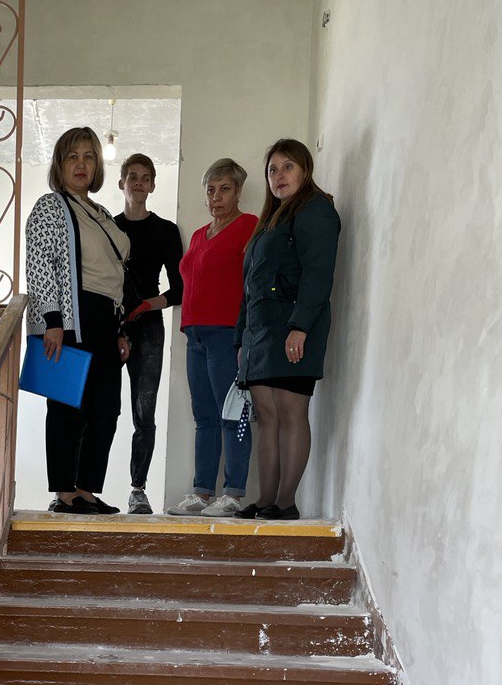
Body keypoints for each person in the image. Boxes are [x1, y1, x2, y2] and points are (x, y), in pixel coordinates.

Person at [24, 127, 131, 514]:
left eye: (88, 157)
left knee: (106, 409)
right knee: (67, 405)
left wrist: (120, 329)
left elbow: (115, 276)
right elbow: (39, 264)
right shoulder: (51, 207)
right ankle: (64, 491)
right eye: (72, 156)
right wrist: (52, 320)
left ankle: (86, 490)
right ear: (59, 165)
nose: (81, 164)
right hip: (71, 315)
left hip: (106, 318)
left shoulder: (101, 214)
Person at [235, 139, 341, 520]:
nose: (279, 176)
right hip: (261, 333)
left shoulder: (316, 210)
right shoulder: (269, 221)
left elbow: (318, 273)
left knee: (291, 411)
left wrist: (300, 327)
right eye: (272, 170)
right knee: (267, 416)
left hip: (293, 327)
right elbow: (249, 287)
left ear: (305, 170)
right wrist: (241, 338)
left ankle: (285, 502)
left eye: (288, 167)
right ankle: (266, 499)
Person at [168, 158, 257, 517]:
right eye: (210, 190)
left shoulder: (249, 226)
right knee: (204, 417)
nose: (216, 197)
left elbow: (253, 281)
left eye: (224, 189)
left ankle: (233, 494)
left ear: (238, 192)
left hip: (226, 334)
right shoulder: (198, 235)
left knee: (233, 413)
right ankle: (202, 492)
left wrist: (246, 337)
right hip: (195, 335)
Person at [113, 154, 183, 514]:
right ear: (122, 183)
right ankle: (82, 488)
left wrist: (145, 306)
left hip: (149, 329)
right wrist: (119, 323)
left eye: (145, 177)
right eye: (132, 177)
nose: (138, 183)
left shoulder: (165, 231)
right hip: (109, 326)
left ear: (153, 185)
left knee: (144, 412)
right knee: (102, 408)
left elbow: (180, 289)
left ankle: (137, 490)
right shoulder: (108, 229)